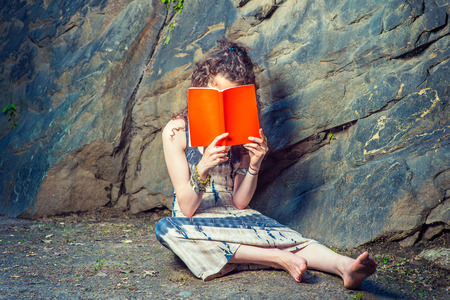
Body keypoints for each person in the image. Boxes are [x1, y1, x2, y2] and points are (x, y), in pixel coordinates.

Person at [155, 37, 376, 289]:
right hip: (193, 221)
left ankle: (344, 266)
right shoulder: (176, 131)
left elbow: (240, 203)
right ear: (202, 84)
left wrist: (254, 164)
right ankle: (275, 258)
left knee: (287, 237)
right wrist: (203, 167)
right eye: (215, 92)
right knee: (167, 229)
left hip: (232, 218)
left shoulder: (243, 133)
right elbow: (187, 208)